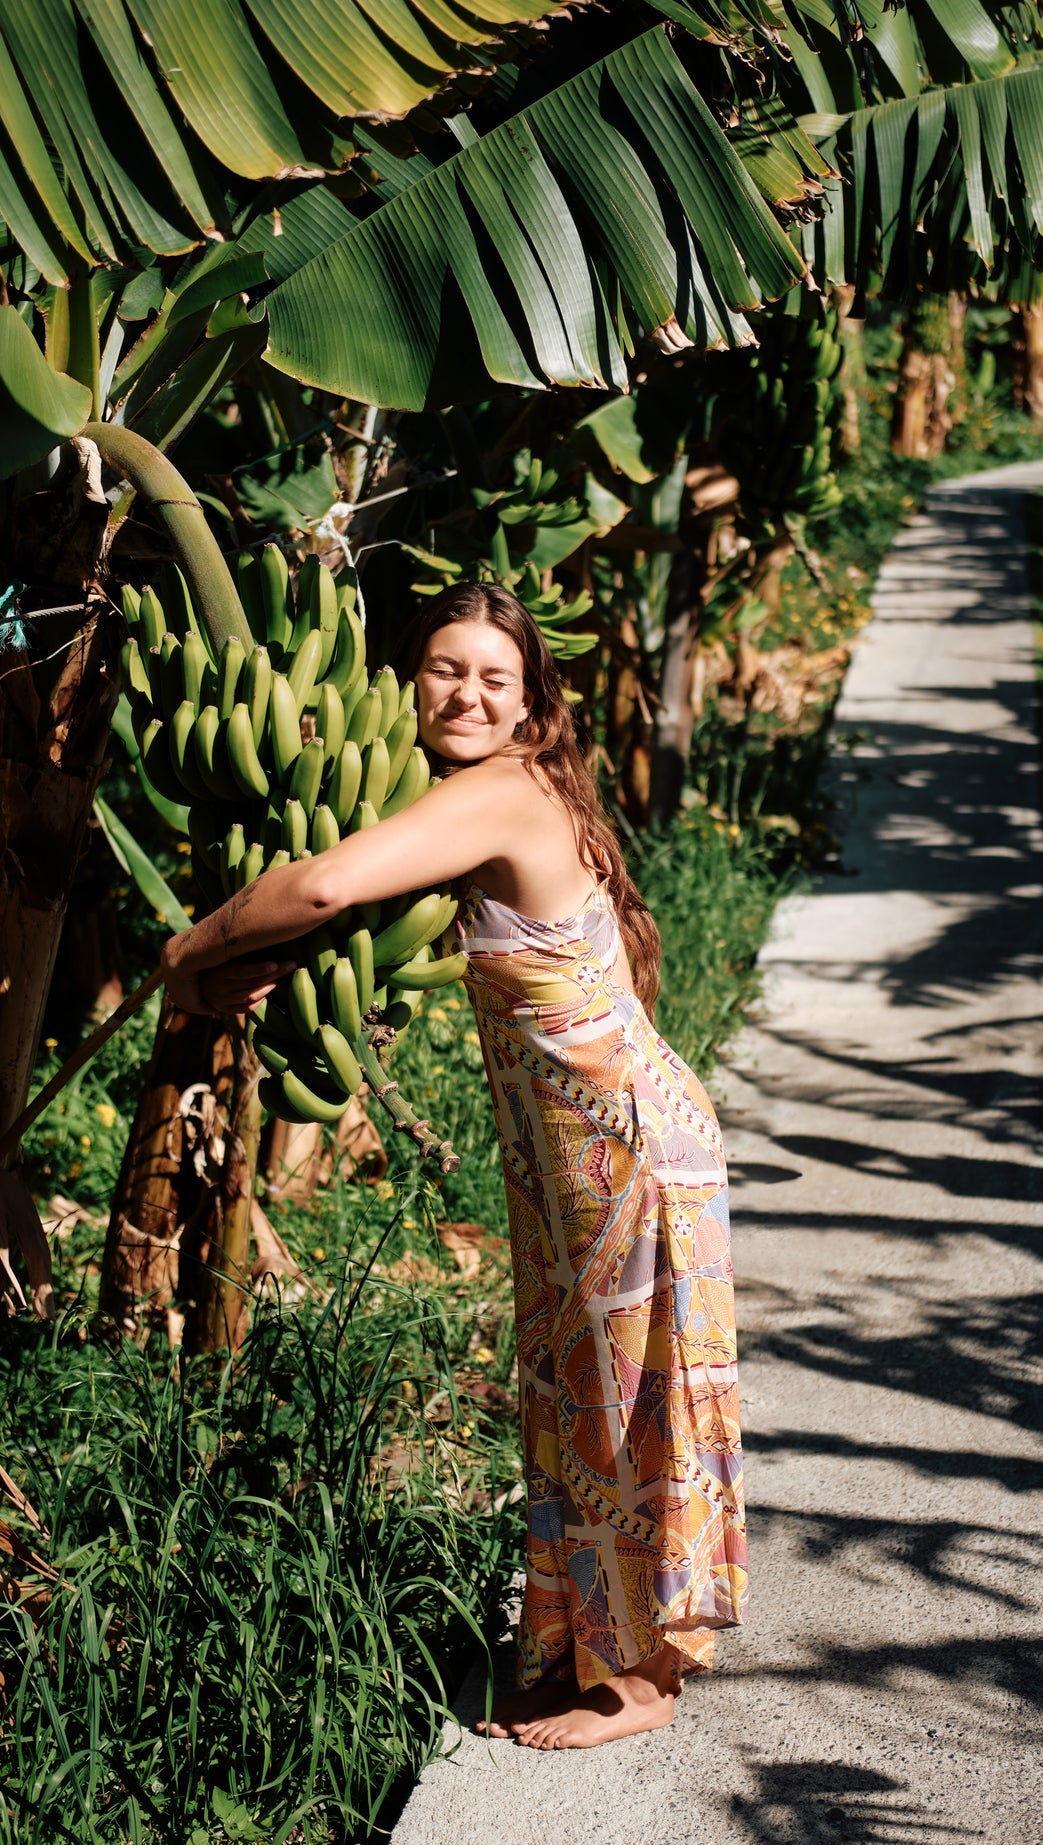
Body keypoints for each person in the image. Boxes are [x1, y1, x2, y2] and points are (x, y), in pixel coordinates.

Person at [160, 581, 747, 1750]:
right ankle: (583, 1646)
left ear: (533, 705)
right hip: (584, 1147)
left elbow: (325, 885)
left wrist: (193, 945)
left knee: (620, 1397)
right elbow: (363, 919)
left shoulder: (500, 792)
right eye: (443, 668)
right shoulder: (486, 801)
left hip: (622, 1144)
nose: (466, 693)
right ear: (407, 678)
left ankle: (641, 1684)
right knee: (578, 1388)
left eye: (495, 676)